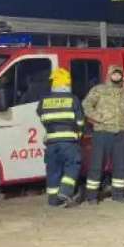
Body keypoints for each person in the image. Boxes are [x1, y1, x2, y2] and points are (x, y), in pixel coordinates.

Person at [81, 64, 124, 204]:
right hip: (102, 133)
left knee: (120, 166)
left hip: (120, 134)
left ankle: (118, 195)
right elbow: (86, 105)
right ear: (109, 75)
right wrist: (98, 117)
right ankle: (92, 196)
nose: (116, 76)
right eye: (114, 74)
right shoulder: (99, 90)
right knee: (97, 165)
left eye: (119, 74)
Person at [36, 68, 84, 207]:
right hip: (69, 141)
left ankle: (52, 200)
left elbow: (41, 116)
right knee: (73, 165)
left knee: (53, 170)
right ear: (67, 83)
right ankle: (65, 191)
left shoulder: (44, 100)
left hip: (51, 142)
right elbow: (80, 121)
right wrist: (78, 134)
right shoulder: (73, 99)